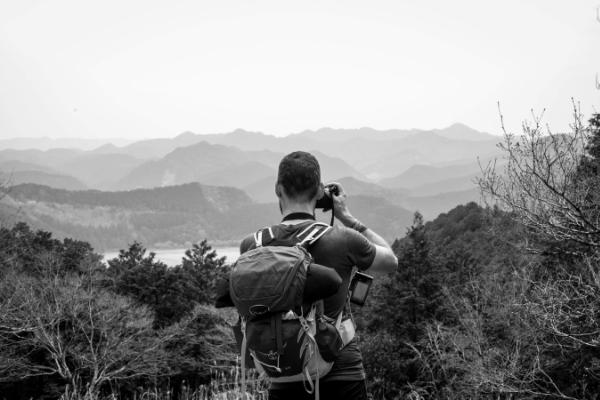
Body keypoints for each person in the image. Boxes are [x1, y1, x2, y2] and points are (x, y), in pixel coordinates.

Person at [235, 151, 398, 400]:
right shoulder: (342, 239)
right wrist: (347, 217)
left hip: (282, 371)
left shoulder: (252, 246)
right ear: (320, 191)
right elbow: (390, 261)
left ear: (278, 190)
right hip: (341, 371)